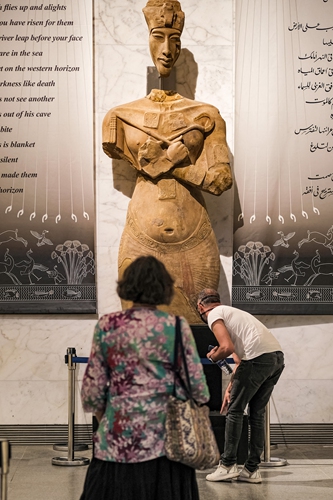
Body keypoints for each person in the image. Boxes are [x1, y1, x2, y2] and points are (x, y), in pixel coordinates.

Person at [102, 0, 232, 324]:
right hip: (142, 238)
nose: (167, 49)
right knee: (138, 332)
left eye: (175, 41)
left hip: (195, 241)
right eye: (159, 37)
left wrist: (173, 163)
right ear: (148, 38)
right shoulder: (120, 118)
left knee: (200, 339)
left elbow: (220, 180)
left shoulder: (206, 116)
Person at [79, 256, 210, 500]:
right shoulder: (176, 327)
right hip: (166, 447)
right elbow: (199, 390)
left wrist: (109, 416)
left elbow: (91, 392)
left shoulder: (108, 325)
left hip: (116, 444)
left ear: (127, 285)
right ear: (164, 287)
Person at [196, 288, 285, 484]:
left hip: (258, 358)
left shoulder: (214, 315)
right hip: (276, 359)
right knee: (256, 414)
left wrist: (214, 356)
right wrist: (230, 389)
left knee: (234, 411)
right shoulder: (232, 313)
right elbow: (238, 361)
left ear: (200, 306)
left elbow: (226, 348)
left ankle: (227, 465)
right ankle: (251, 470)